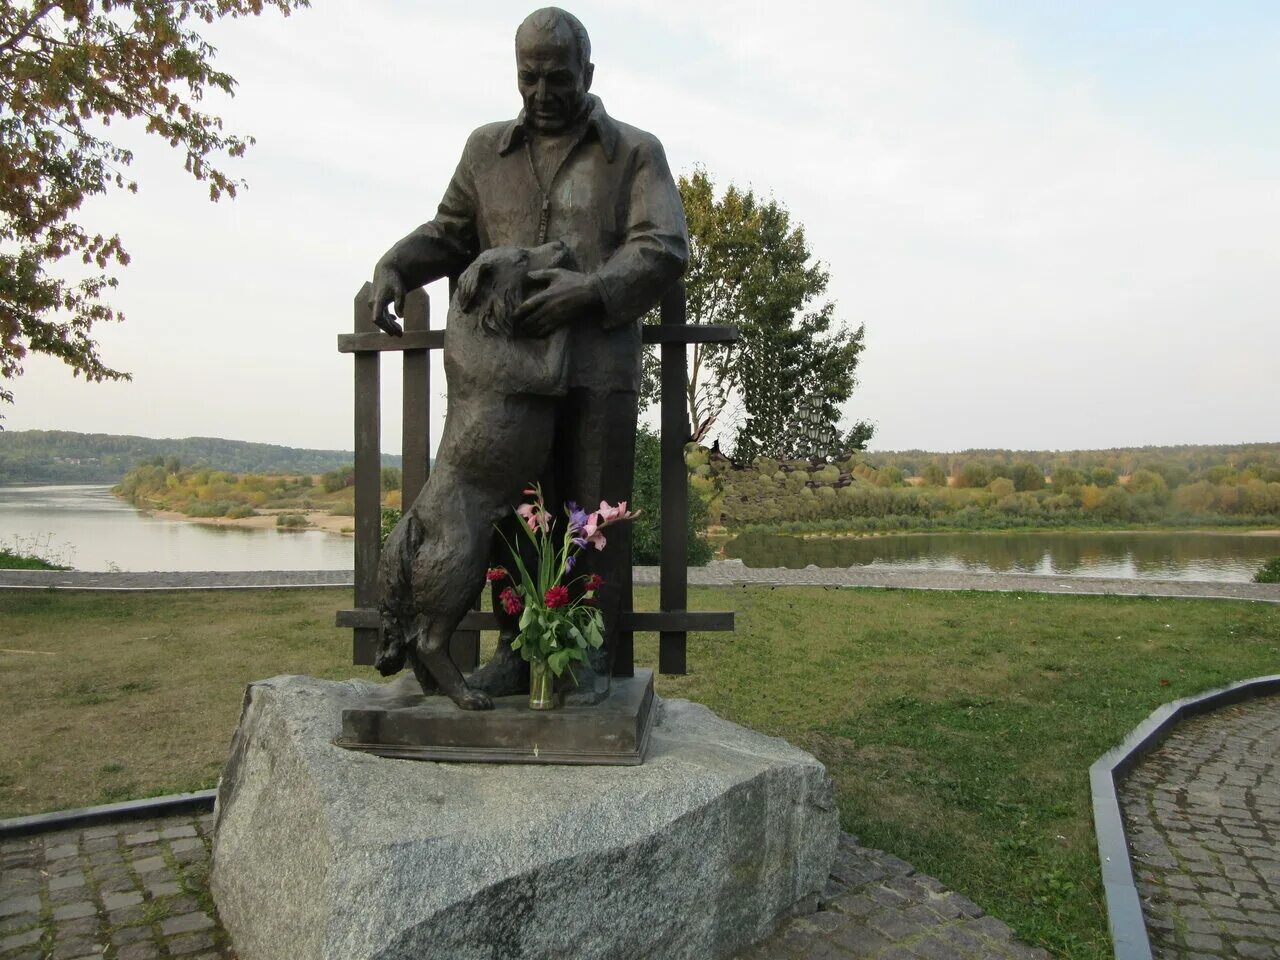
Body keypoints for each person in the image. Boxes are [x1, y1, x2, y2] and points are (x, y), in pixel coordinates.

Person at [370, 7, 688, 702]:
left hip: (596, 375)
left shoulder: (634, 152)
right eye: (529, 77)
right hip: (509, 386)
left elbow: (663, 246)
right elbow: (451, 234)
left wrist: (590, 291)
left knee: (593, 522)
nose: (542, 92)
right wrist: (396, 264)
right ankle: (521, 655)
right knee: (514, 520)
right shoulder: (487, 151)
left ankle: (589, 663)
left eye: (559, 78)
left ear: (589, 74)